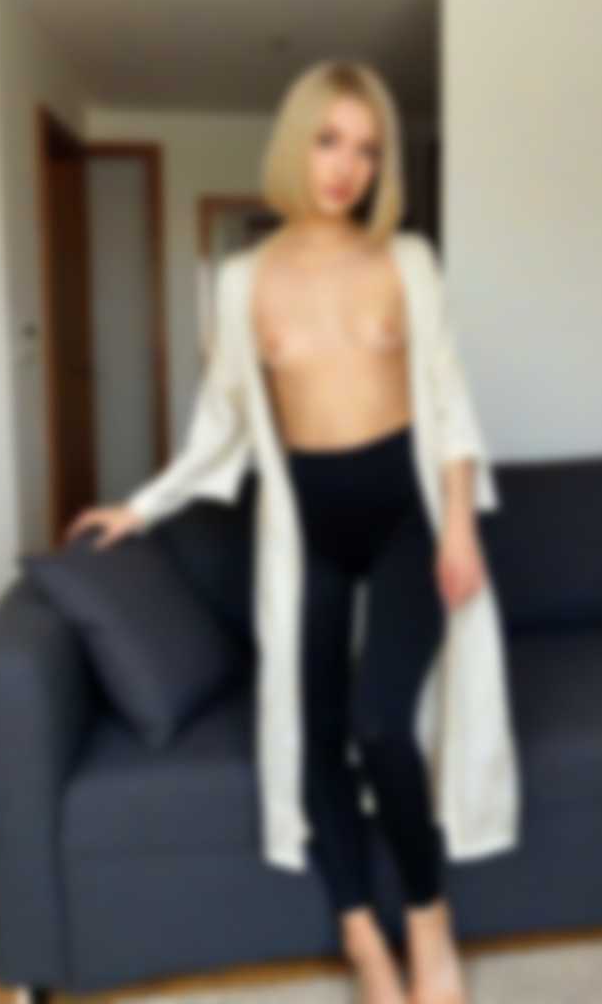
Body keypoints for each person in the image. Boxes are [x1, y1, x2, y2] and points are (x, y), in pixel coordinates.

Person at [66, 59, 501, 1004]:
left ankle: (428, 921)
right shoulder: (239, 281)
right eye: (329, 140)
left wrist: (461, 527)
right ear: (296, 141)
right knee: (317, 734)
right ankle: (363, 940)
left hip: (407, 520)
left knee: (382, 723)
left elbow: (449, 396)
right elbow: (221, 422)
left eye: (368, 150)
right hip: (306, 533)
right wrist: (140, 507)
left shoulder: (408, 260)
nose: (345, 167)